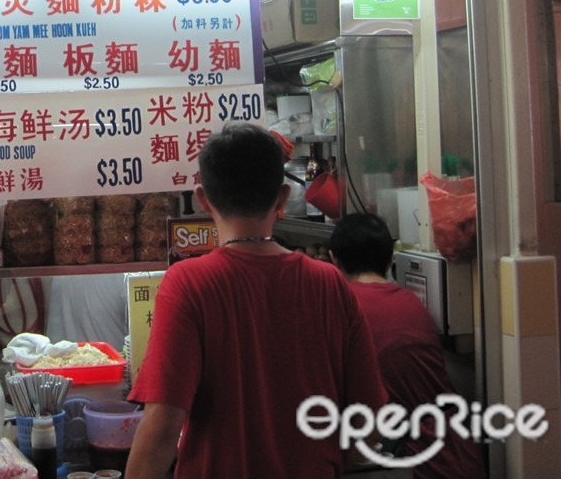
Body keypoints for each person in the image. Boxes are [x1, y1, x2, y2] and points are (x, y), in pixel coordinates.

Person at [125, 123, 387, 479]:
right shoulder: (330, 284)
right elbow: (365, 430)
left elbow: (161, 431)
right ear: (281, 198)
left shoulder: (189, 282)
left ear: (203, 199)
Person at [329, 212, 486, 479]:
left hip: (408, 463)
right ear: (391, 260)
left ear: (334, 259)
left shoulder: (341, 307)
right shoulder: (410, 302)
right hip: (458, 454)